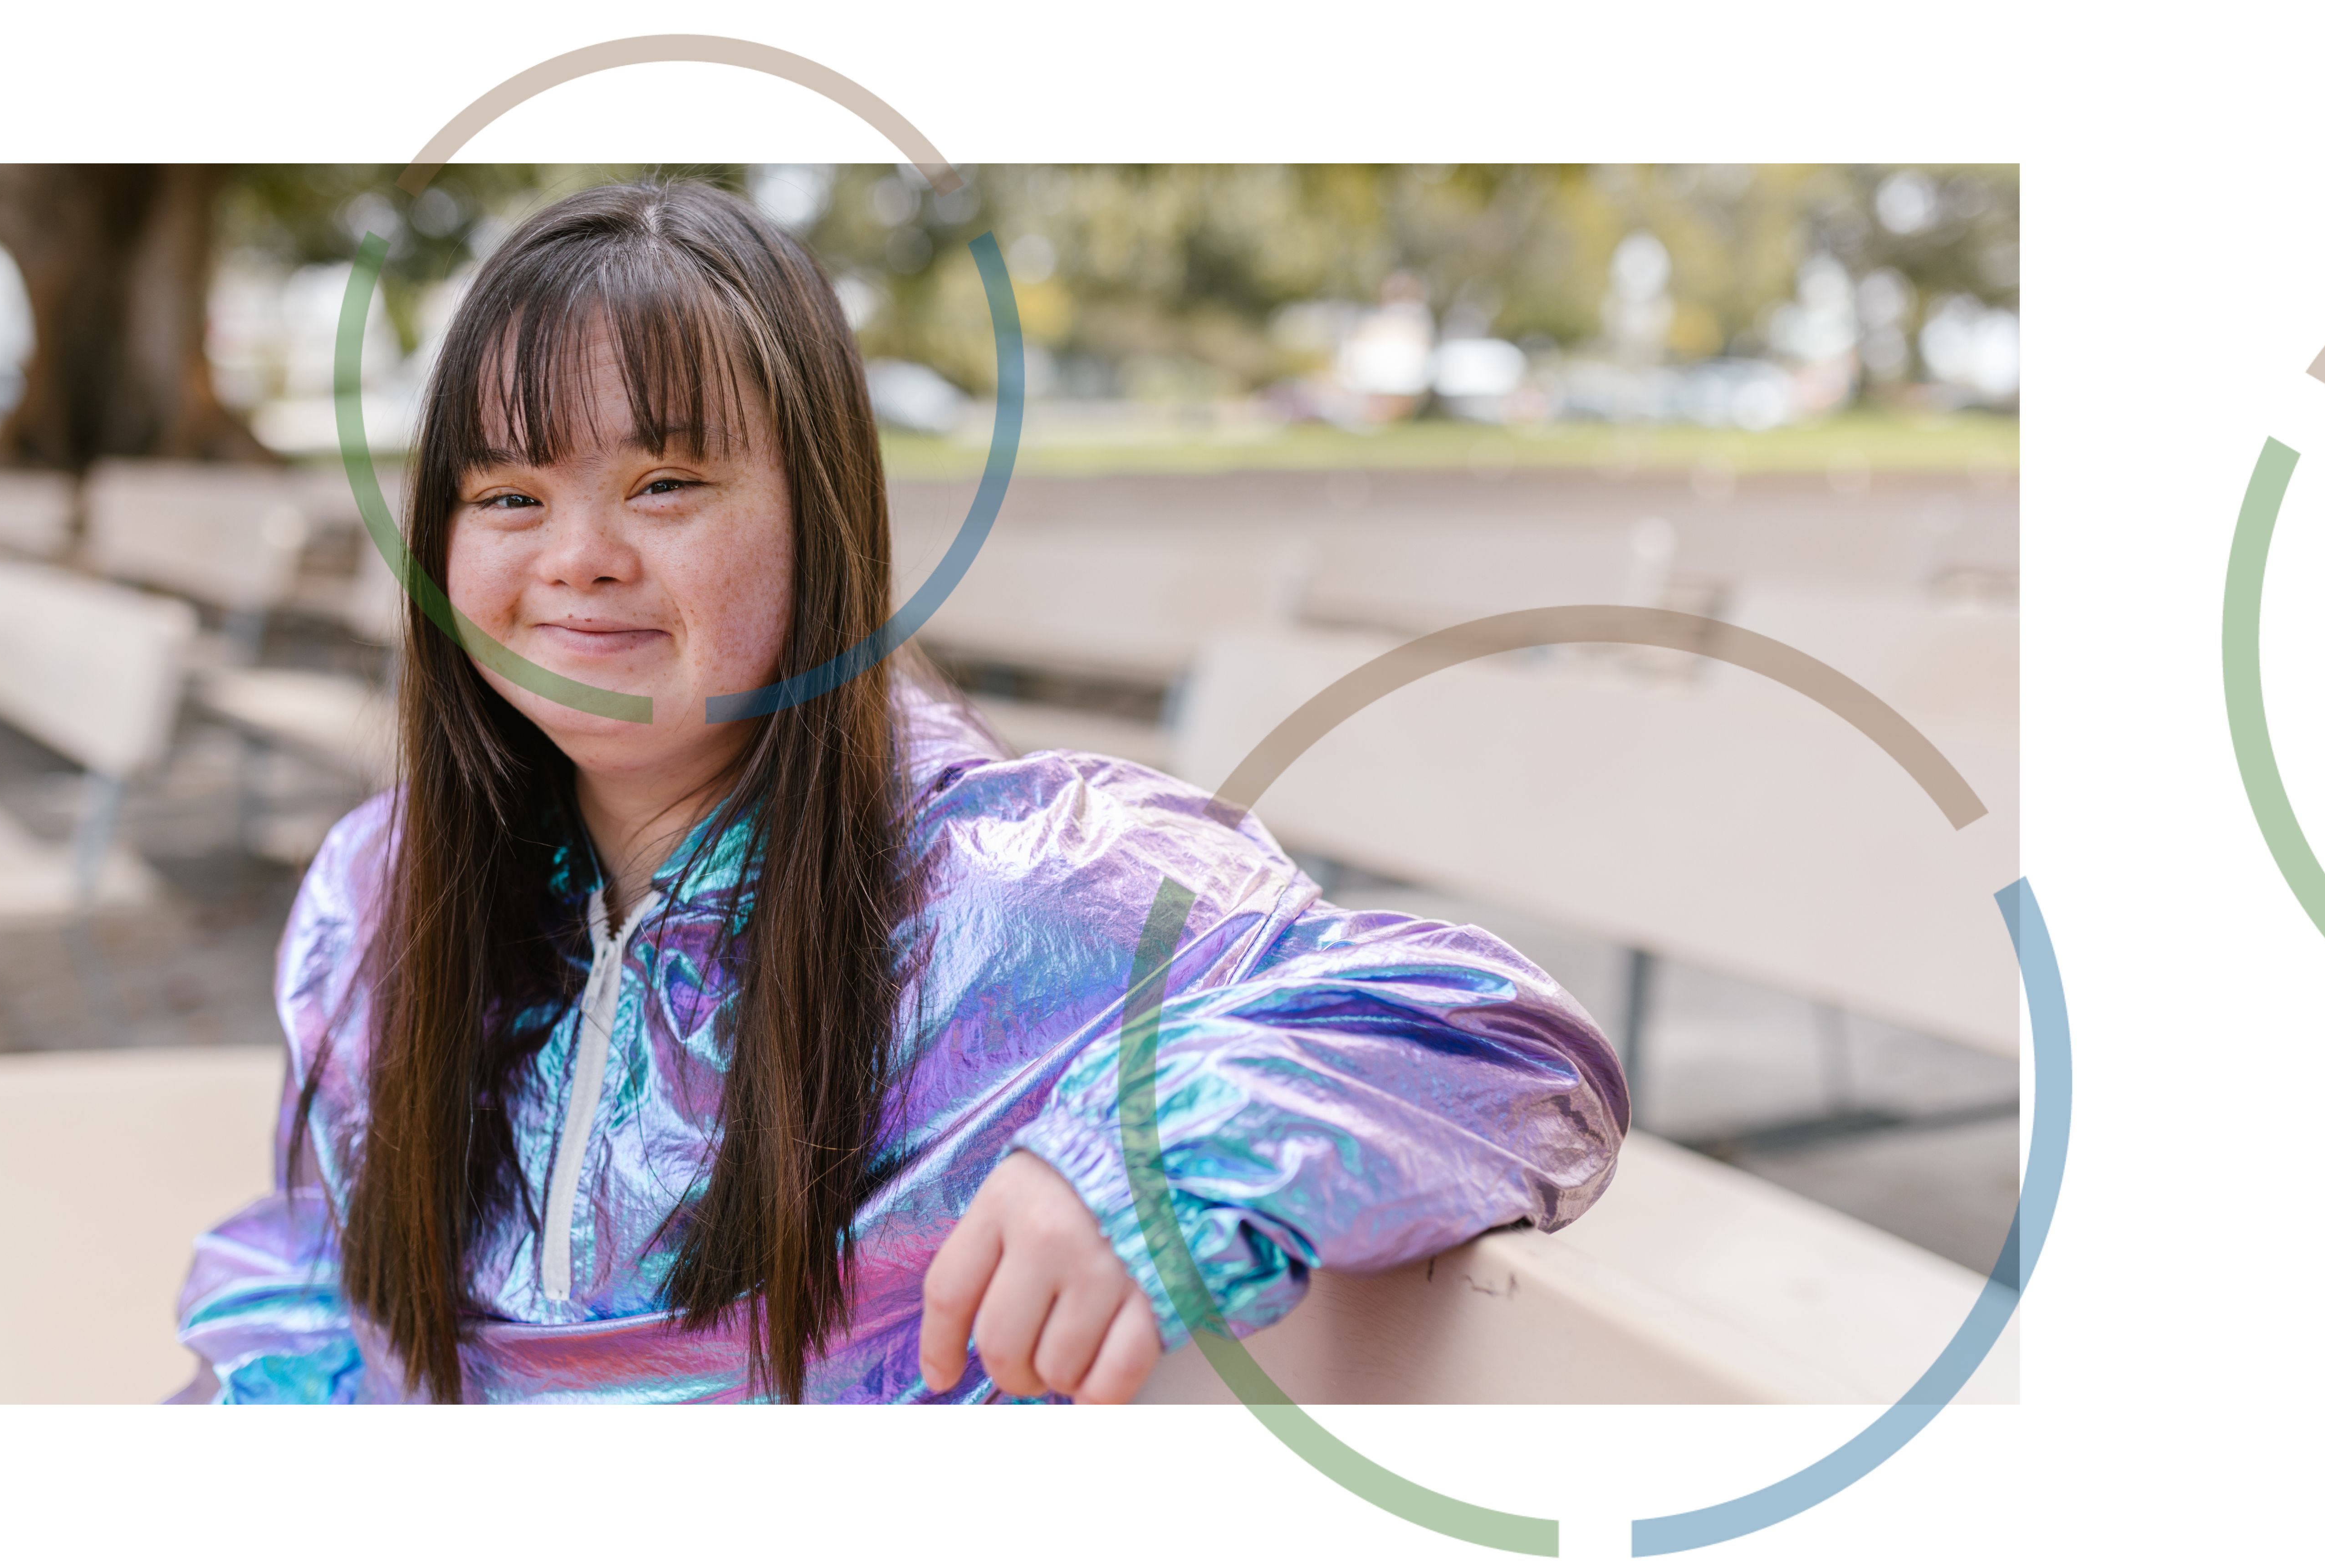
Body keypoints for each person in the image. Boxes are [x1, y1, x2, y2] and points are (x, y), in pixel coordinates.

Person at [171, 181, 1624, 1404]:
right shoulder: (381, 886)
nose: (578, 557)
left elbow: (1501, 1045)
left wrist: (1140, 1163)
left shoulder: (1013, 881)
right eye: (507, 498)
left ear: (826, 518)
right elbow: (323, 1270)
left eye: (666, 483)